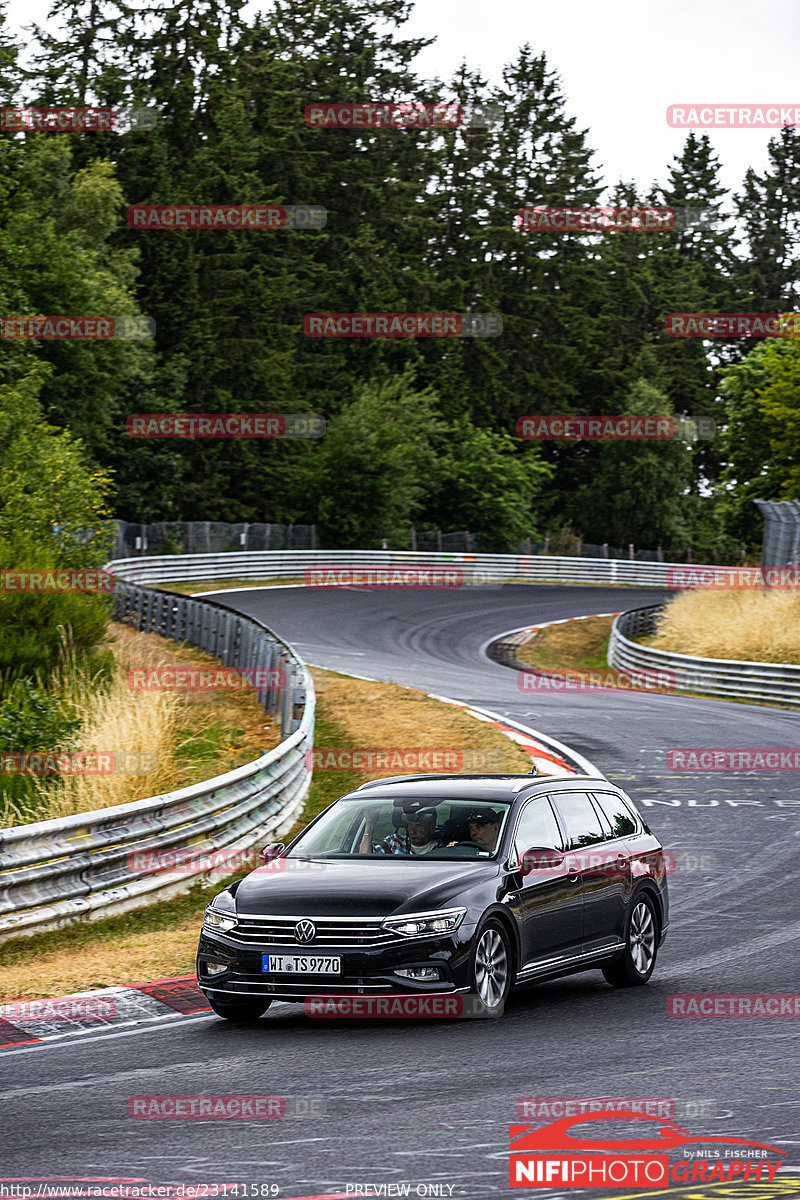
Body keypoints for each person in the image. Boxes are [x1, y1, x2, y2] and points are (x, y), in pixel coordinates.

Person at [358, 807, 440, 855]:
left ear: (432, 827)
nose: (412, 831)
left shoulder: (442, 848)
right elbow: (364, 857)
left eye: (418, 826)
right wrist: (370, 824)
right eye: (410, 825)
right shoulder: (394, 842)